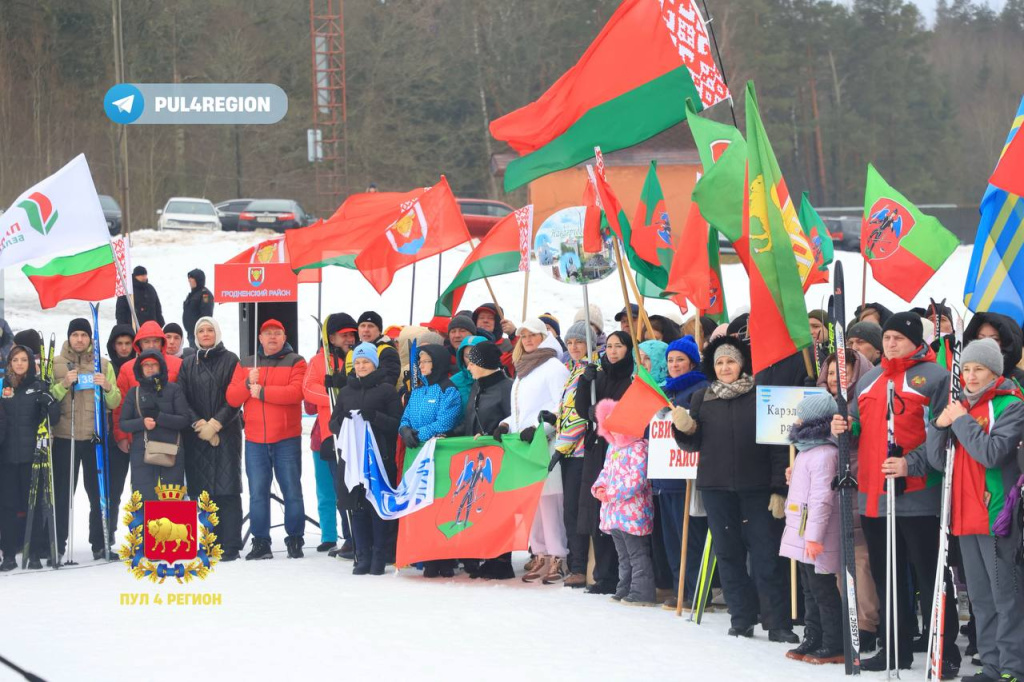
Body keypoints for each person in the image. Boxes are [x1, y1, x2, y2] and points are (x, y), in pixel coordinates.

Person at [831, 312, 961, 674]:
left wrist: (911, 464)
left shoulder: (935, 377)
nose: (890, 345)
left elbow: (942, 434)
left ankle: (944, 650)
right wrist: (843, 426)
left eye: (898, 339)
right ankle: (895, 648)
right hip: (873, 495)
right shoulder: (871, 379)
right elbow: (857, 425)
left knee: (928, 575)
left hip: (918, 495)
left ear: (915, 341)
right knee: (887, 578)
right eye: (887, 338)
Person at [672, 334, 798, 643]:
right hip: (715, 488)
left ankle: (777, 622)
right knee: (728, 555)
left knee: (767, 557)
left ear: (741, 364)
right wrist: (683, 429)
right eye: (719, 362)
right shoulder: (702, 398)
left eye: (730, 361)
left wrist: (779, 490)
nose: (725, 367)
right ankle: (741, 618)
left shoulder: (761, 395)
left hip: (757, 490)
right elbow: (693, 443)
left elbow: (778, 446)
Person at [921, 338, 1024, 682]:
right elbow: (938, 461)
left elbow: (993, 454)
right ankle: (993, 666)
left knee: (1006, 599)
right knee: (980, 600)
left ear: (995, 371)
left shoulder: (1011, 405)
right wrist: (938, 426)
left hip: (997, 515)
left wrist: (961, 419)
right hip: (963, 516)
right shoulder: (960, 405)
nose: (971, 376)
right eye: (966, 369)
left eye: (979, 369)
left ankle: (1013, 667)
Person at [495, 318, 569, 584]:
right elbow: (520, 411)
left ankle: (558, 555)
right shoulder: (524, 370)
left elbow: (561, 406)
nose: (527, 340)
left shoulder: (553, 367)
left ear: (543, 337)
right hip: (527, 446)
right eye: (523, 336)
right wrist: (506, 424)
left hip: (546, 445)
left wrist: (542, 426)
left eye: (532, 335)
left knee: (550, 502)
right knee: (534, 502)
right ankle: (539, 551)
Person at [227, 319, 308, 560]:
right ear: (260, 338)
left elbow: (296, 394)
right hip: (255, 440)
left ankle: (295, 538)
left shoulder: (297, 361)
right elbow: (232, 398)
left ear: (284, 337)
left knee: (292, 491)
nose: (272, 337)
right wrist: (246, 383)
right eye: (267, 334)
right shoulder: (246, 364)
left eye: (277, 333)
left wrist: (262, 392)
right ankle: (261, 541)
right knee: (257, 493)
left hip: (286, 439)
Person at [780, 393, 844, 665]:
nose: (797, 419)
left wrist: (815, 537)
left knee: (823, 590)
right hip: (802, 531)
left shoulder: (825, 454)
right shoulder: (808, 451)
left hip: (815, 534)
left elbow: (821, 499)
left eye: (802, 414)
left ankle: (833, 642)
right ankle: (813, 635)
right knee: (808, 588)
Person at [329, 343, 403, 576]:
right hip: (353, 459)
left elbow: (397, 424)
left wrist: (375, 418)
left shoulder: (386, 390)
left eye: (366, 362)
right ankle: (362, 555)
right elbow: (333, 423)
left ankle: (379, 556)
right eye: (358, 363)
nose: (361, 366)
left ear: (375, 364)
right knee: (357, 506)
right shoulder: (347, 392)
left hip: (379, 458)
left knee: (375, 507)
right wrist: (344, 423)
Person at [50, 318, 122, 561]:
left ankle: (100, 544)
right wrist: (63, 384)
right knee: (61, 494)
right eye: (75, 335)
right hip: (64, 437)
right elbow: (46, 398)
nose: (79, 339)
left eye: (84, 335)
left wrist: (108, 387)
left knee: (98, 494)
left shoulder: (103, 363)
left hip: (94, 438)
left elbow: (115, 402)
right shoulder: (56, 363)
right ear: (69, 337)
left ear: (90, 338)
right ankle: (58, 545)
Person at [177, 317, 244, 561]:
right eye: (201, 331)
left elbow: (236, 397)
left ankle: (231, 544)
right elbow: (181, 399)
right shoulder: (187, 364)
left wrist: (216, 424)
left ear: (217, 332)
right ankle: (209, 541)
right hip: (197, 436)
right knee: (203, 490)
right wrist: (199, 424)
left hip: (227, 432)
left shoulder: (231, 360)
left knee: (227, 489)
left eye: (209, 330)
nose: (205, 334)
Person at [575, 331, 635, 594]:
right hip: (596, 447)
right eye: (609, 346)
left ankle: (618, 575)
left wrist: (603, 414)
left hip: (619, 450)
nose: (612, 351)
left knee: (615, 508)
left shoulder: (632, 378)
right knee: (597, 508)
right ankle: (602, 574)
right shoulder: (598, 376)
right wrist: (583, 384)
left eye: (618, 346)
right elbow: (581, 410)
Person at [400, 344, 463, 577]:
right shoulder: (417, 390)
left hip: (439, 455)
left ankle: (445, 558)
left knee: (441, 506)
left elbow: (446, 420)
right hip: (417, 455)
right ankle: (428, 557)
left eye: (426, 361)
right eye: (420, 362)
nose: (422, 366)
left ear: (437, 362)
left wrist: (419, 434)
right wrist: (405, 430)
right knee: (422, 505)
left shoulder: (448, 389)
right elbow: (405, 417)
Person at [656, 336, 708, 610]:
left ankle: (696, 592)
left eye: (680, 360)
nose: (674, 365)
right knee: (673, 538)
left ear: (691, 362)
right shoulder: (663, 391)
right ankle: (679, 590)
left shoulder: (700, 388)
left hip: (686, 474)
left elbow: (699, 425)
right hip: (664, 475)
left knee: (691, 537)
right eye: (671, 360)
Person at [457, 340, 516, 579]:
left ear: (484, 364)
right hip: (476, 460)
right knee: (479, 506)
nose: (468, 366)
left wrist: (494, 434)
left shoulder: (507, 387)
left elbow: (512, 420)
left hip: (500, 459)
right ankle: (483, 554)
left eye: (473, 361)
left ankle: (502, 560)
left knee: (499, 508)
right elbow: (470, 419)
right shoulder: (477, 387)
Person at [303, 312, 358, 556]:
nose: (348, 339)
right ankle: (337, 535)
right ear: (331, 338)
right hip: (328, 435)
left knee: (354, 488)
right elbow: (308, 390)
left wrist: (344, 394)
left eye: (351, 334)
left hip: (356, 433)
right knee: (333, 489)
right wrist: (333, 395)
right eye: (343, 335)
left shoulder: (361, 358)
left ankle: (356, 536)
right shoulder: (319, 361)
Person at [592, 398, 655, 605]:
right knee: (623, 554)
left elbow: (636, 479)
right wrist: (600, 487)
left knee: (637, 553)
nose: (616, 432)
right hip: (615, 511)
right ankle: (624, 587)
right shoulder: (613, 449)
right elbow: (606, 472)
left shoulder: (639, 448)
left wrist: (612, 493)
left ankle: (642, 591)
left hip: (632, 511)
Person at [0, 346, 57, 569]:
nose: (20, 363)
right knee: (8, 507)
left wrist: (49, 402)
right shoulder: (3, 386)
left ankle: (33, 552)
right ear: (10, 363)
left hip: (32, 457)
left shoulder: (37, 386)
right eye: (16, 360)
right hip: (6, 458)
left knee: (31, 505)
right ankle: (9, 555)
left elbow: (54, 417)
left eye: (24, 359)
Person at [553, 321, 594, 588]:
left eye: (579, 342)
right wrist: (554, 418)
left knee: (578, 510)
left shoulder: (592, 370)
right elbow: (567, 410)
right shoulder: (572, 370)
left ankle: (580, 566)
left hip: (581, 451)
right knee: (569, 509)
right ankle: (574, 561)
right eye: (569, 343)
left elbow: (582, 416)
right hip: (568, 450)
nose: (574, 347)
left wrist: (563, 445)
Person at [119, 352, 189, 501]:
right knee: (144, 502)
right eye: (146, 365)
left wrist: (160, 417)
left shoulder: (174, 389)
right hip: (142, 454)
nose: (150, 368)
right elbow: (123, 424)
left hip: (171, 452)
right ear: (140, 368)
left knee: (172, 507)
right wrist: (142, 423)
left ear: (161, 366)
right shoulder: (134, 393)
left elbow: (184, 420)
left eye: (154, 364)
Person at [112, 321, 184, 460]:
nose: (151, 345)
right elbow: (120, 406)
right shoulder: (127, 368)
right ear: (139, 344)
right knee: (142, 480)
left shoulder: (178, 365)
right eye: (146, 341)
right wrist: (121, 435)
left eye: (156, 341)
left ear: (162, 342)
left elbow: (184, 403)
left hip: (172, 435)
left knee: (171, 480)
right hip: (140, 437)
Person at [104, 323, 136, 517]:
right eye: (119, 343)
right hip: (113, 436)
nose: (124, 347)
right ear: (113, 345)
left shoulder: (142, 365)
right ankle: (107, 536)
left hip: (138, 434)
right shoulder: (106, 367)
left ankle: (141, 537)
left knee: (141, 489)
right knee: (112, 490)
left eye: (128, 343)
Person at [963, 311, 1024, 387]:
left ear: (1006, 344)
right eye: (981, 338)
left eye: (994, 339)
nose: (986, 343)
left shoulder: (1020, 380)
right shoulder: (965, 375)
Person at [354, 311, 401, 387]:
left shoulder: (387, 351)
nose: (366, 330)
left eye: (370, 326)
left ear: (379, 331)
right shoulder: (353, 351)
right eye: (362, 326)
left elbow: (389, 381)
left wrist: (358, 382)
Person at [451, 335, 487, 408]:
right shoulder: (454, 382)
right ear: (461, 357)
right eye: (467, 356)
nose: (471, 360)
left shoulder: (498, 380)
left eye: (475, 355)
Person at [182, 268, 214, 347]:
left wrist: (201, 330)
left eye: (191, 278)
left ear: (198, 280)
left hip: (199, 334)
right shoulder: (193, 294)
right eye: (189, 278)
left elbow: (206, 315)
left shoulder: (205, 295)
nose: (189, 280)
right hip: (191, 333)